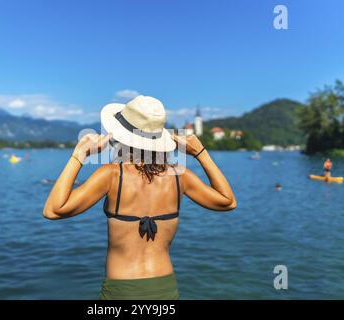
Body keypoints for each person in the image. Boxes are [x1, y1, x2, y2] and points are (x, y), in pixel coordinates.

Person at [43, 95, 236, 300]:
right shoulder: (180, 176)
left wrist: (79, 154)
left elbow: (53, 210)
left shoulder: (112, 175)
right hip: (165, 289)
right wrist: (201, 153)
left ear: (121, 136)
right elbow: (228, 201)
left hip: (121, 291)